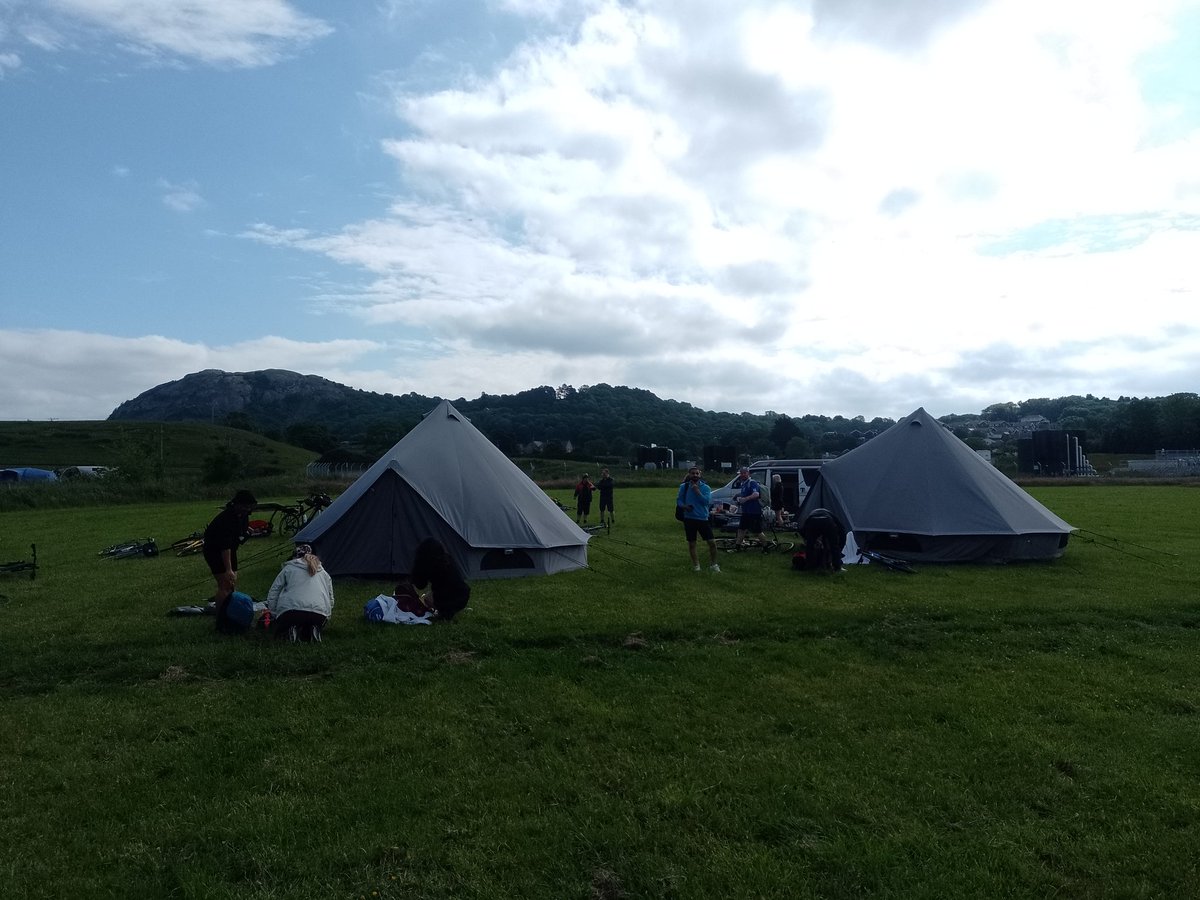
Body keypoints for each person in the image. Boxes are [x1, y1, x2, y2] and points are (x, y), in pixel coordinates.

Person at [202, 489, 257, 634]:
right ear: (237, 504)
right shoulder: (226, 518)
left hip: (230, 550)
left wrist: (247, 534)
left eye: (250, 507)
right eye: (246, 506)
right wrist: (228, 569)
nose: (248, 510)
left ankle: (231, 615)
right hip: (215, 551)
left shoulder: (243, 516)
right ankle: (220, 621)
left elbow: (240, 538)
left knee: (231, 584)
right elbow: (224, 546)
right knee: (225, 584)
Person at [266, 543, 335, 642]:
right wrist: (327, 615)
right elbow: (330, 597)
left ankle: (291, 629)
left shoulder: (288, 569)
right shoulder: (324, 573)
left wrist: (275, 613)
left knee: (290, 622)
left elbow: (274, 592)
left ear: (295, 558)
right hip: (319, 614)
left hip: (292, 612)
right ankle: (313, 629)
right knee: (311, 621)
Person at [411, 538, 471, 621]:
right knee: (436, 594)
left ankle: (444, 612)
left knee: (426, 598)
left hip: (446, 598)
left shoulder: (429, 565)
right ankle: (452, 609)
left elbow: (420, 585)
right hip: (463, 595)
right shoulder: (447, 559)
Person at [676, 466, 720, 573]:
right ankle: (696, 566)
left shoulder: (706, 488)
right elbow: (679, 500)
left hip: (702, 518)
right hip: (689, 519)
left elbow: (705, 502)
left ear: (700, 475)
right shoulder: (684, 487)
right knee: (692, 543)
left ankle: (714, 564)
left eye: (697, 473)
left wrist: (696, 491)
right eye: (693, 473)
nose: (695, 475)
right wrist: (684, 506)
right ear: (689, 475)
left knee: (712, 543)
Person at [731, 466, 770, 550]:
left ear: (748, 473)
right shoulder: (744, 484)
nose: (743, 475)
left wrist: (745, 499)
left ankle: (765, 547)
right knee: (741, 529)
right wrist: (738, 497)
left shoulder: (752, 482)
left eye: (745, 473)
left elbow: (756, 494)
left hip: (754, 511)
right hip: (746, 511)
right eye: (741, 473)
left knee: (757, 531)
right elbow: (745, 495)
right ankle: (737, 547)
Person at [800, 508, 847, 572]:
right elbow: (842, 531)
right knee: (834, 546)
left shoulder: (810, 515)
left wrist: (809, 539)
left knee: (809, 546)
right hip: (827, 521)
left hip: (812, 522)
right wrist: (840, 547)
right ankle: (837, 567)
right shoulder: (833, 516)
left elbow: (802, 530)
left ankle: (810, 566)